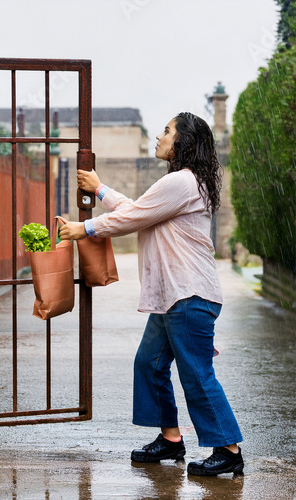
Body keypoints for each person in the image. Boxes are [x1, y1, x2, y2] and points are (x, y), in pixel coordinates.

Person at [59, 112, 244, 476]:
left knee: (197, 373)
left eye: (167, 131)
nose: (160, 137)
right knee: (150, 364)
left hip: (189, 295)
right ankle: (171, 440)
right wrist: (100, 190)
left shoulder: (182, 181)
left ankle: (228, 448)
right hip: (174, 297)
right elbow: (140, 212)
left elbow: (133, 218)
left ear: (183, 143)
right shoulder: (183, 183)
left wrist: (87, 227)